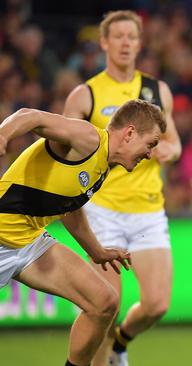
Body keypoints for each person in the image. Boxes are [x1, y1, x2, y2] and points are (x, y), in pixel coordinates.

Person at [0, 99, 166, 366]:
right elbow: (30, 115)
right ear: (130, 133)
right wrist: (3, 135)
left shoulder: (101, 168)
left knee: (104, 302)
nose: (149, 154)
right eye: (151, 144)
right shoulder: (88, 138)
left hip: (28, 241)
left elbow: (70, 208)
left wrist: (97, 251)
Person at [63, 10, 182, 366]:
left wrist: (167, 150)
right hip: (102, 209)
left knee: (157, 303)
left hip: (147, 209)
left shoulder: (156, 90)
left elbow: (174, 143)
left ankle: (120, 345)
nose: (126, 43)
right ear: (104, 43)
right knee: (105, 308)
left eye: (132, 37)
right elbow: (66, 150)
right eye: (118, 37)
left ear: (140, 43)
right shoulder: (86, 95)